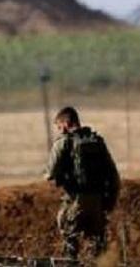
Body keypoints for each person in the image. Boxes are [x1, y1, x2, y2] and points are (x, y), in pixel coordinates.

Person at [46, 106, 120, 260]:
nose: (59, 130)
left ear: (66, 124)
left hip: (76, 200)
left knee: (69, 236)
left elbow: (50, 173)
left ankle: (71, 262)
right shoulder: (97, 141)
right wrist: (109, 201)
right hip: (98, 200)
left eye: (59, 126)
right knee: (97, 243)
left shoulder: (64, 142)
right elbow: (113, 175)